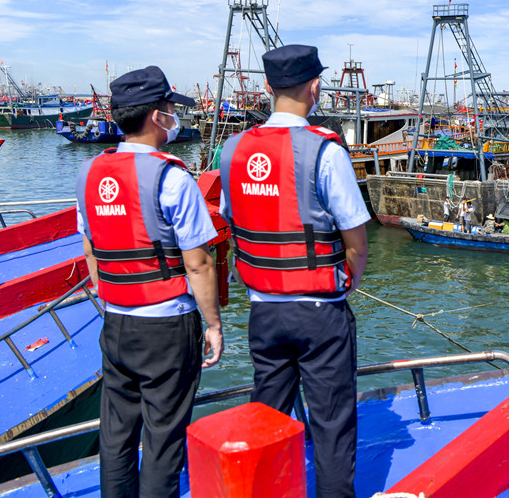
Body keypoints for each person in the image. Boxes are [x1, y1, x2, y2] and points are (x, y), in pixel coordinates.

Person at [219, 45, 369, 498]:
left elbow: (232, 220)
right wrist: (348, 280)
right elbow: (356, 241)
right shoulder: (325, 150)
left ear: (266, 87)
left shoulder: (232, 150)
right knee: (331, 425)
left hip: (263, 311)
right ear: (315, 86)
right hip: (321, 311)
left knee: (266, 415)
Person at [75, 66, 223, 498]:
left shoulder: (89, 174)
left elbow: (91, 252)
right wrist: (212, 325)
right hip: (167, 326)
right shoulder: (172, 178)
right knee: (163, 438)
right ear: (158, 116)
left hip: (116, 322)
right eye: (171, 109)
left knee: (116, 434)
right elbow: (199, 263)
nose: (175, 117)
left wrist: (113, 302)